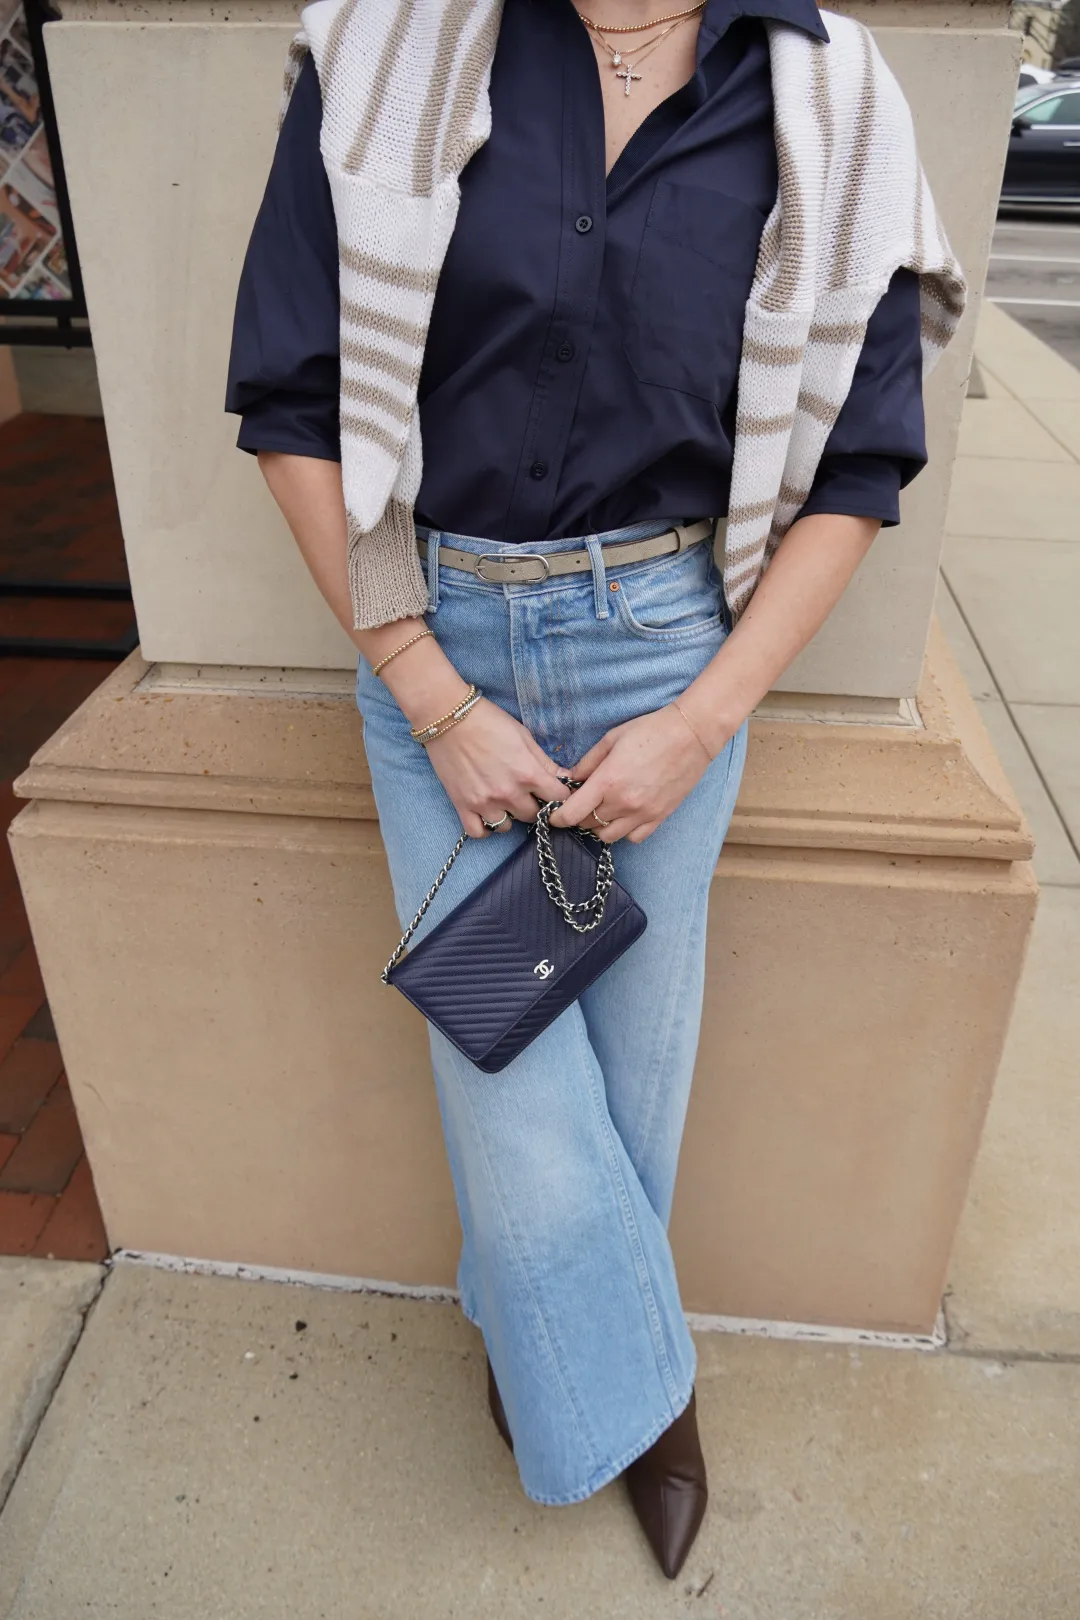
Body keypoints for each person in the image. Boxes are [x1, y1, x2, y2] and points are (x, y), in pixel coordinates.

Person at [226, 0, 964, 1580]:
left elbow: (857, 467)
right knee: (506, 1064)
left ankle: (555, 1335)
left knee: (636, 1064)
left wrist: (701, 722)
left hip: (670, 656)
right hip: (435, 644)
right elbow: (291, 404)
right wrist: (430, 694)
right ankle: (643, 1388)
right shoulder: (388, 43)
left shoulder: (829, 90)